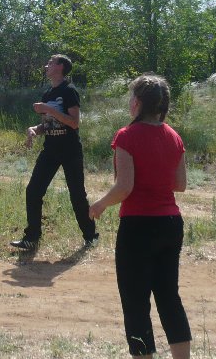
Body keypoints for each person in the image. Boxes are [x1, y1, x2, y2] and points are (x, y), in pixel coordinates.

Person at [89, 74, 191, 359]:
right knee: (169, 298)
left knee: (136, 302)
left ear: (137, 102)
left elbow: (124, 187)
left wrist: (100, 205)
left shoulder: (126, 135)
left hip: (138, 227)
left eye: (131, 96)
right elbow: (180, 184)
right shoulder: (174, 136)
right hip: (170, 224)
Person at [10, 54, 97, 252]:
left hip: (70, 150)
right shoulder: (48, 93)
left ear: (60, 67)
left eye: (50, 62)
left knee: (77, 195)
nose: (46, 65)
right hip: (50, 150)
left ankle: (91, 236)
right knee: (33, 191)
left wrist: (48, 108)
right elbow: (48, 124)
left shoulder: (69, 91)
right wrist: (35, 129)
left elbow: (74, 123)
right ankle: (31, 238)